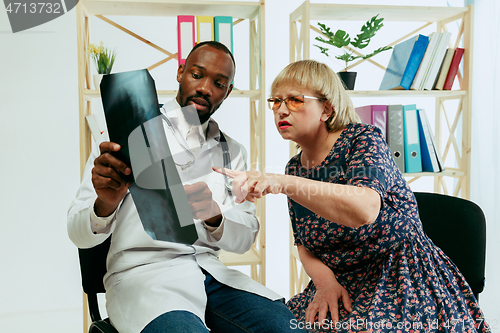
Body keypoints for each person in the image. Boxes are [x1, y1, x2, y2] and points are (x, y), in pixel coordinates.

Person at [214, 60, 489, 332]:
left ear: (326, 109)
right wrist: (325, 284)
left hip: (399, 276)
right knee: (278, 326)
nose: (281, 110)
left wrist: (282, 182)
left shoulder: (363, 139)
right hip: (339, 281)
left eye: (295, 100)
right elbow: (304, 244)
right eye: (276, 101)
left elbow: (364, 209)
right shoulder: (295, 168)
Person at [68, 41, 304, 333]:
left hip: (210, 274)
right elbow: (76, 232)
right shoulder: (124, 135)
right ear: (180, 73)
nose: (205, 88)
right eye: (197, 74)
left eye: (219, 83)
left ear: (228, 92)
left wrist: (216, 217)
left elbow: (244, 239)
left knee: (288, 328)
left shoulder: (232, 151)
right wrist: (105, 204)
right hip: (144, 278)